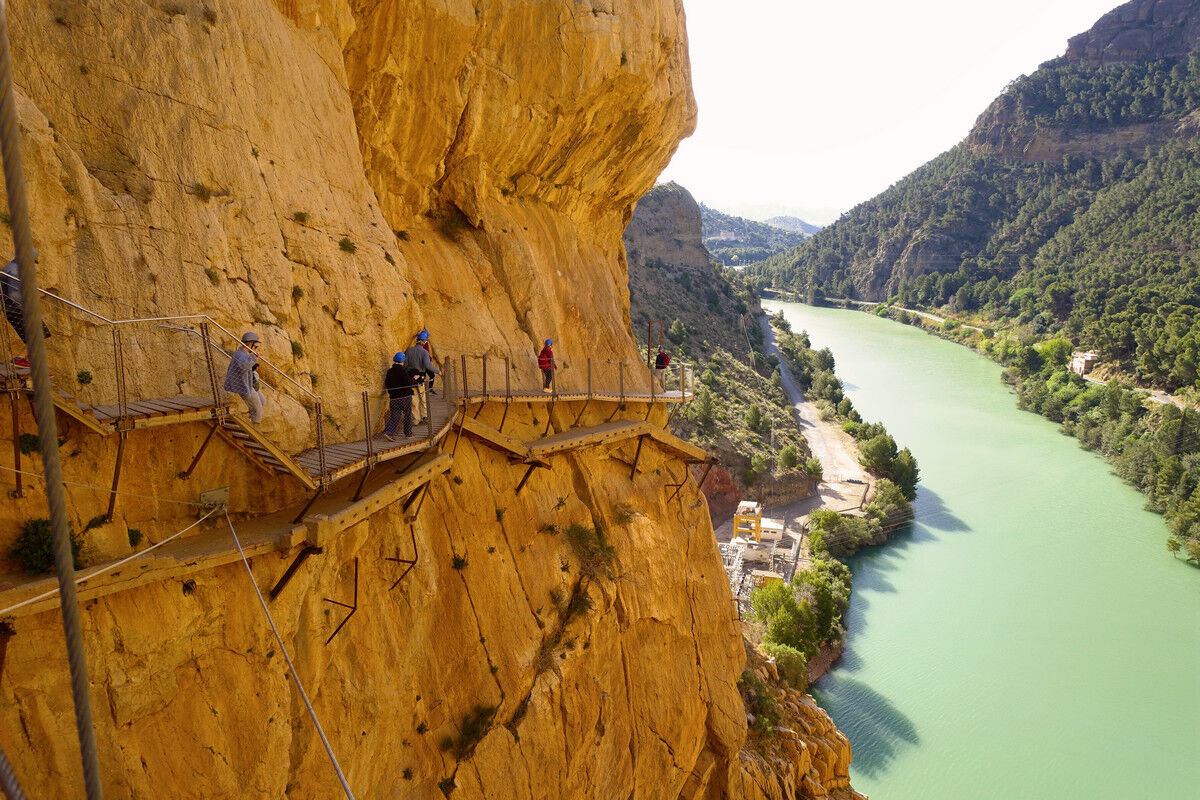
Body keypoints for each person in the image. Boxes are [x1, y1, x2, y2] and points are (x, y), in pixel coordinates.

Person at [2, 249, 50, 367]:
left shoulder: (9, 267)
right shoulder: (17, 271)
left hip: (9, 308)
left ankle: (24, 360)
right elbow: (14, 294)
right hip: (16, 308)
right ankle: (19, 359)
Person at [223, 331, 265, 423]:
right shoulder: (239, 354)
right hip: (244, 385)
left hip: (249, 383)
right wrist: (254, 357)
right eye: (255, 346)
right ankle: (254, 428)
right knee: (258, 410)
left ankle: (250, 416)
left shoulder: (245, 354)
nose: (255, 348)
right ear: (250, 344)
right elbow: (244, 366)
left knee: (262, 401)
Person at [405, 334, 441, 422]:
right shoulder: (424, 352)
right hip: (420, 377)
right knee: (423, 398)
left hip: (410, 378)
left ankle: (416, 420)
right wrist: (438, 371)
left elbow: (405, 365)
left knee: (414, 400)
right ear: (424, 342)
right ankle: (425, 416)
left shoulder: (409, 351)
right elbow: (427, 365)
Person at [382, 352, 416, 441]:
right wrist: (414, 379)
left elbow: (387, 384)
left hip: (394, 398)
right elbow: (408, 383)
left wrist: (392, 394)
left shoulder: (390, 371)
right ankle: (408, 434)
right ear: (403, 361)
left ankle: (389, 432)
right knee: (407, 415)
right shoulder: (402, 371)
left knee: (395, 416)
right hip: (404, 397)